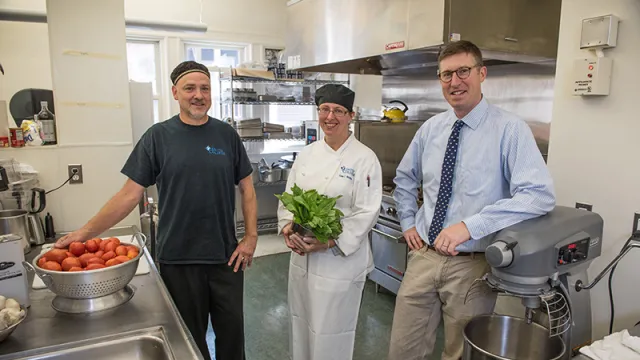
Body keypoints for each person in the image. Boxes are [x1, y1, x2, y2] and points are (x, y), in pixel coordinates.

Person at [55, 60, 258, 360]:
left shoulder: (226, 135)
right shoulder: (157, 137)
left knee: (232, 336)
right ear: (175, 92)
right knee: (189, 340)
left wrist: (251, 237)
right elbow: (128, 195)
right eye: (190, 88)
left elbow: (248, 189)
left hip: (226, 257)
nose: (198, 95)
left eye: (204, 88)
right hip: (178, 257)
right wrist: (84, 233)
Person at [387, 40, 556, 360]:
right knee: (402, 350)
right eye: (446, 74)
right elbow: (405, 179)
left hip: (472, 267)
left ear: (482, 74)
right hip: (423, 256)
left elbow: (538, 195)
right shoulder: (430, 129)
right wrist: (408, 221)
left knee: (461, 354)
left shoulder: (510, 130)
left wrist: (470, 226)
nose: (455, 81)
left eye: (463, 71)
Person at [276, 84, 382, 360]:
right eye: (324, 109)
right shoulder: (308, 153)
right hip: (302, 256)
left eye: (338, 110)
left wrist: (331, 240)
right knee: (300, 322)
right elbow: (289, 196)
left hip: (339, 263)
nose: (330, 117)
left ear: (351, 115)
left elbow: (367, 210)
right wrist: (288, 226)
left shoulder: (364, 158)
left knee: (332, 331)